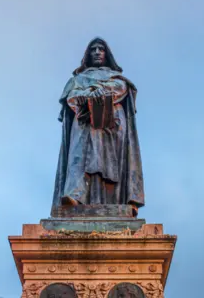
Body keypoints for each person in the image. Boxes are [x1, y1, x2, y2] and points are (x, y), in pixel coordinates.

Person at [52, 38, 145, 214]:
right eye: (93, 49)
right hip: (84, 122)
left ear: (106, 54)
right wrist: (89, 95)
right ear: (87, 55)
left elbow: (121, 88)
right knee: (78, 157)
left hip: (112, 125)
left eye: (100, 49)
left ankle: (116, 202)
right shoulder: (77, 79)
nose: (96, 52)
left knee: (111, 162)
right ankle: (75, 196)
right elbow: (71, 98)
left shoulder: (117, 79)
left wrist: (98, 91)